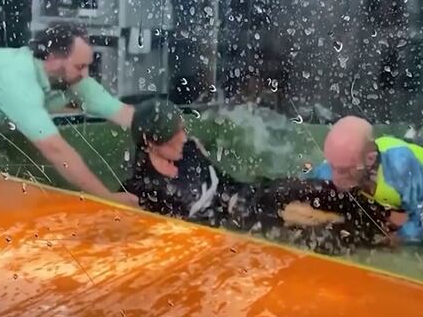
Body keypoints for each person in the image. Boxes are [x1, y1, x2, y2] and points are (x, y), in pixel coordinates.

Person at [122, 99, 392, 255]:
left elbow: (223, 174)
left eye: (182, 129)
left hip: (243, 195)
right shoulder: (144, 188)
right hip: (228, 226)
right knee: (310, 231)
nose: (184, 137)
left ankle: (384, 217)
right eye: (174, 134)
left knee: (307, 189)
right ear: (151, 143)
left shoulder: (189, 148)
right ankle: (377, 246)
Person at [0, 23, 138, 206]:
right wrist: (105, 197)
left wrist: (155, 133)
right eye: (80, 66)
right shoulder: (14, 76)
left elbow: (123, 113)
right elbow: (55, 149)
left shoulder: (70, 78)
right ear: (52, 59)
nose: (85, 75)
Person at [308, 115, 423, 244]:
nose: (335, 177)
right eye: (332, 166)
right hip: (387, 157)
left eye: (344, 170)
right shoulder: (331, 169)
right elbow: (305, 192)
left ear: (370, 160)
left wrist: (398, 240)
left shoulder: (401, 169)